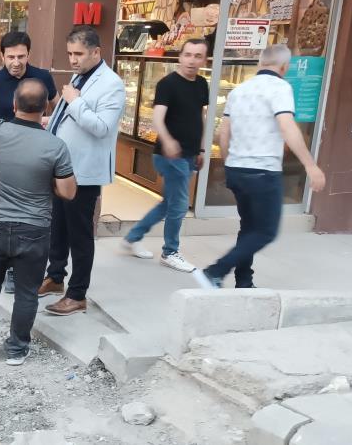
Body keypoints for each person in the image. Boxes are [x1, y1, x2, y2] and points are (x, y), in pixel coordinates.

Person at [0, 79, 77, 365]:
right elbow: (68, 192)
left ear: (14, 105)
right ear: (46, 107)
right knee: (25, 293)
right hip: (34, 231)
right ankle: (17, 349)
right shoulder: (56, 146)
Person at [193, 44, 326, 289]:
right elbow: (287, 127)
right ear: (284, 67)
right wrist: (310, 165)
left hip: (237, 169)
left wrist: (228, 161)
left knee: (250, 228)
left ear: (260, 63)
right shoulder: (281, 88)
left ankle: (244, 282)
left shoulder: (239, 90)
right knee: (265, 231)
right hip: (263, 172)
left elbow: (224, 132)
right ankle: (215, 272)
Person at [0, 31, 58, 293]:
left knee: (36, 214)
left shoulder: (43, 77)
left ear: (29, 54)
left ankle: (26, 269)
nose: (16, 62)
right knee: (4, 215)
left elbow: (56, 107)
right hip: (4, 161)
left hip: (38, 158)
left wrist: (52, 126)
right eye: (11, 57)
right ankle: (5, 268)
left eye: (22, 56)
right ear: (2, 56)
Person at [42, 25, 125, 316]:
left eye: (78, 53)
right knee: (58, 227)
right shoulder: (80, 76)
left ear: (96, 52)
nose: (73, 59)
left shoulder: (111, 84)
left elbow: (102, 128)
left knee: (79, 234)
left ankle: (77, 294)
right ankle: (55, 277)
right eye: (69, 53)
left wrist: (75, 102)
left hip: (84, 171)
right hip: (63, 168)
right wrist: (50, 123)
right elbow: (70, 119)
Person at [121, 39, 210, 272]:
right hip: (170, 156)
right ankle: (170, 252)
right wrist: (169, 141)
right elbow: (157, 118)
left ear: (204, 60)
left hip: (190, 154)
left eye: (197, 56)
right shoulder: (167, 84)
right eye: (188, 54)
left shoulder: (202, 84)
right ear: (180, 57)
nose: (192, 60)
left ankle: (133, 235)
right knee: (179, 205)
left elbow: (200, 117)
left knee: (169, 203)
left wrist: (201, 148)